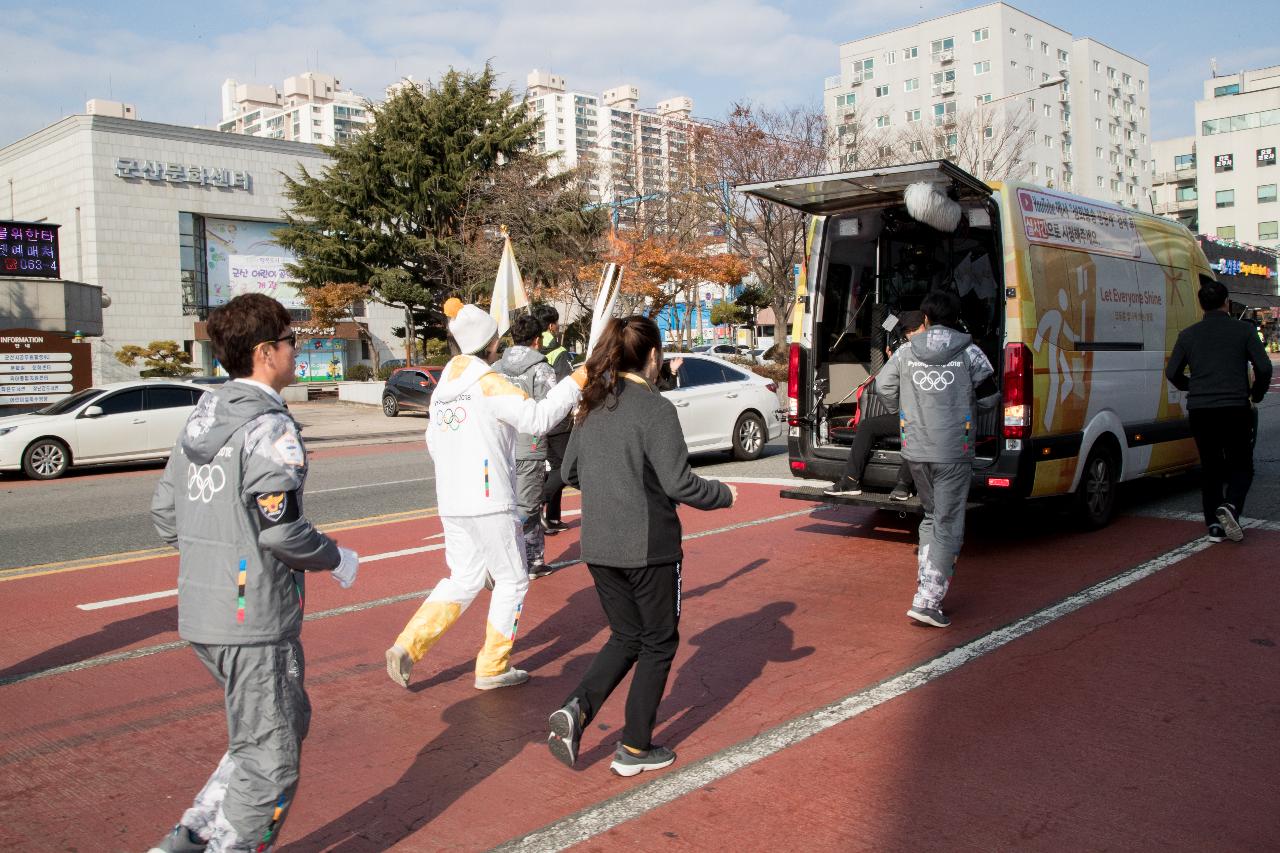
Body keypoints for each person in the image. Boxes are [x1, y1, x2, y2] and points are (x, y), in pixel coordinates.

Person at [148, 293, 360, 853]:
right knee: (272, 761)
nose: (298, 349)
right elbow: (282, 531)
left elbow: (166, 515)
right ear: (267, 352)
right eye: (293, 341)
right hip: (254, 618)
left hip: (203, 611)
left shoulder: (203, 417)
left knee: (275, 727)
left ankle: (194, 837)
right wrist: (336, 557)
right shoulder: (268, 428)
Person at [545, 315, 737, 777]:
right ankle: (633, 748)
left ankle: (578, 708)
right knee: (658, 643)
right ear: (653, 357)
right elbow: (679, 482)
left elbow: (569, 474)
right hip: (649, 547)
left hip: (598, 545)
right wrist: (724, 493)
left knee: (626, 636)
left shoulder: (593, 403)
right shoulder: (655, 408)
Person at [385, 298, 585, 690]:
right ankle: (493, 666)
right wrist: (576, 383)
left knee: (463, 578)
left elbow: (433, 444)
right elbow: (538, 418)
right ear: (490, 342)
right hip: (490, 499)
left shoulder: (443, 390)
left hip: (452, 500)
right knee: (512, 580)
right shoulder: (488, 382)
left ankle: (409, 644)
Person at [876, 291, 997, 628]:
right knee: (948, 524)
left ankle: (925, 589)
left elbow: (883, 387)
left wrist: (906, 413)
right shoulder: (971, 352)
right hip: (952, 450)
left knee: (931, 517)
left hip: (915, 448)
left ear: (926, 319)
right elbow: (991, 398)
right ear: (957, 317)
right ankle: (928, 602)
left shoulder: (905, 350)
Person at [1165, 277, 1271, 543]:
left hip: (1201, 409)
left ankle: (1213, 526)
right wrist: (1255, 393)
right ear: (1227, 302)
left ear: (1201, 305)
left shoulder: (1188, 335)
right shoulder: (1243, 331)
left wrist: (1194, 386)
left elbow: (1172, 372)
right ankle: (1231, 506)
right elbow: (1265, 367)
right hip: (1235, 407)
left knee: (1211, 467)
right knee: (1241, 465)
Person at [825, 310, 926, 500]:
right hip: (919, 417)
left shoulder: (906, 351)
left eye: (915, 330)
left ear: (926, 324)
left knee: (915, 427)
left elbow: (884, 385)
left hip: (926, 420)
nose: (911, 335)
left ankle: (904, 484)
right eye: (908, 332)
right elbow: (883, 385)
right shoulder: (908, 351)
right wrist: (898, 411)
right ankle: (850, 480)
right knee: (867, 425)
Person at [495, 313, 557, 577]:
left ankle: (517, 559)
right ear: (537, 339)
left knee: (504, 504)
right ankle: (528, 561)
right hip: (529, 445)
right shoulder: (541, 368)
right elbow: (552, 408)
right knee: (529, 507)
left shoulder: (496, 368)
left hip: (500, 446)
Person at [532, 303, 574, 535]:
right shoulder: (557, 352)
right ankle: (541, 502)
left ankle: (553, 518)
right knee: (567, 468)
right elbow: (565, 385)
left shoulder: (532, 348)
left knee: (556, 467)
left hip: (538, 417)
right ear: (551, 325)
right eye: (556, 324)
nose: (558, 328)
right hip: (559, 417)